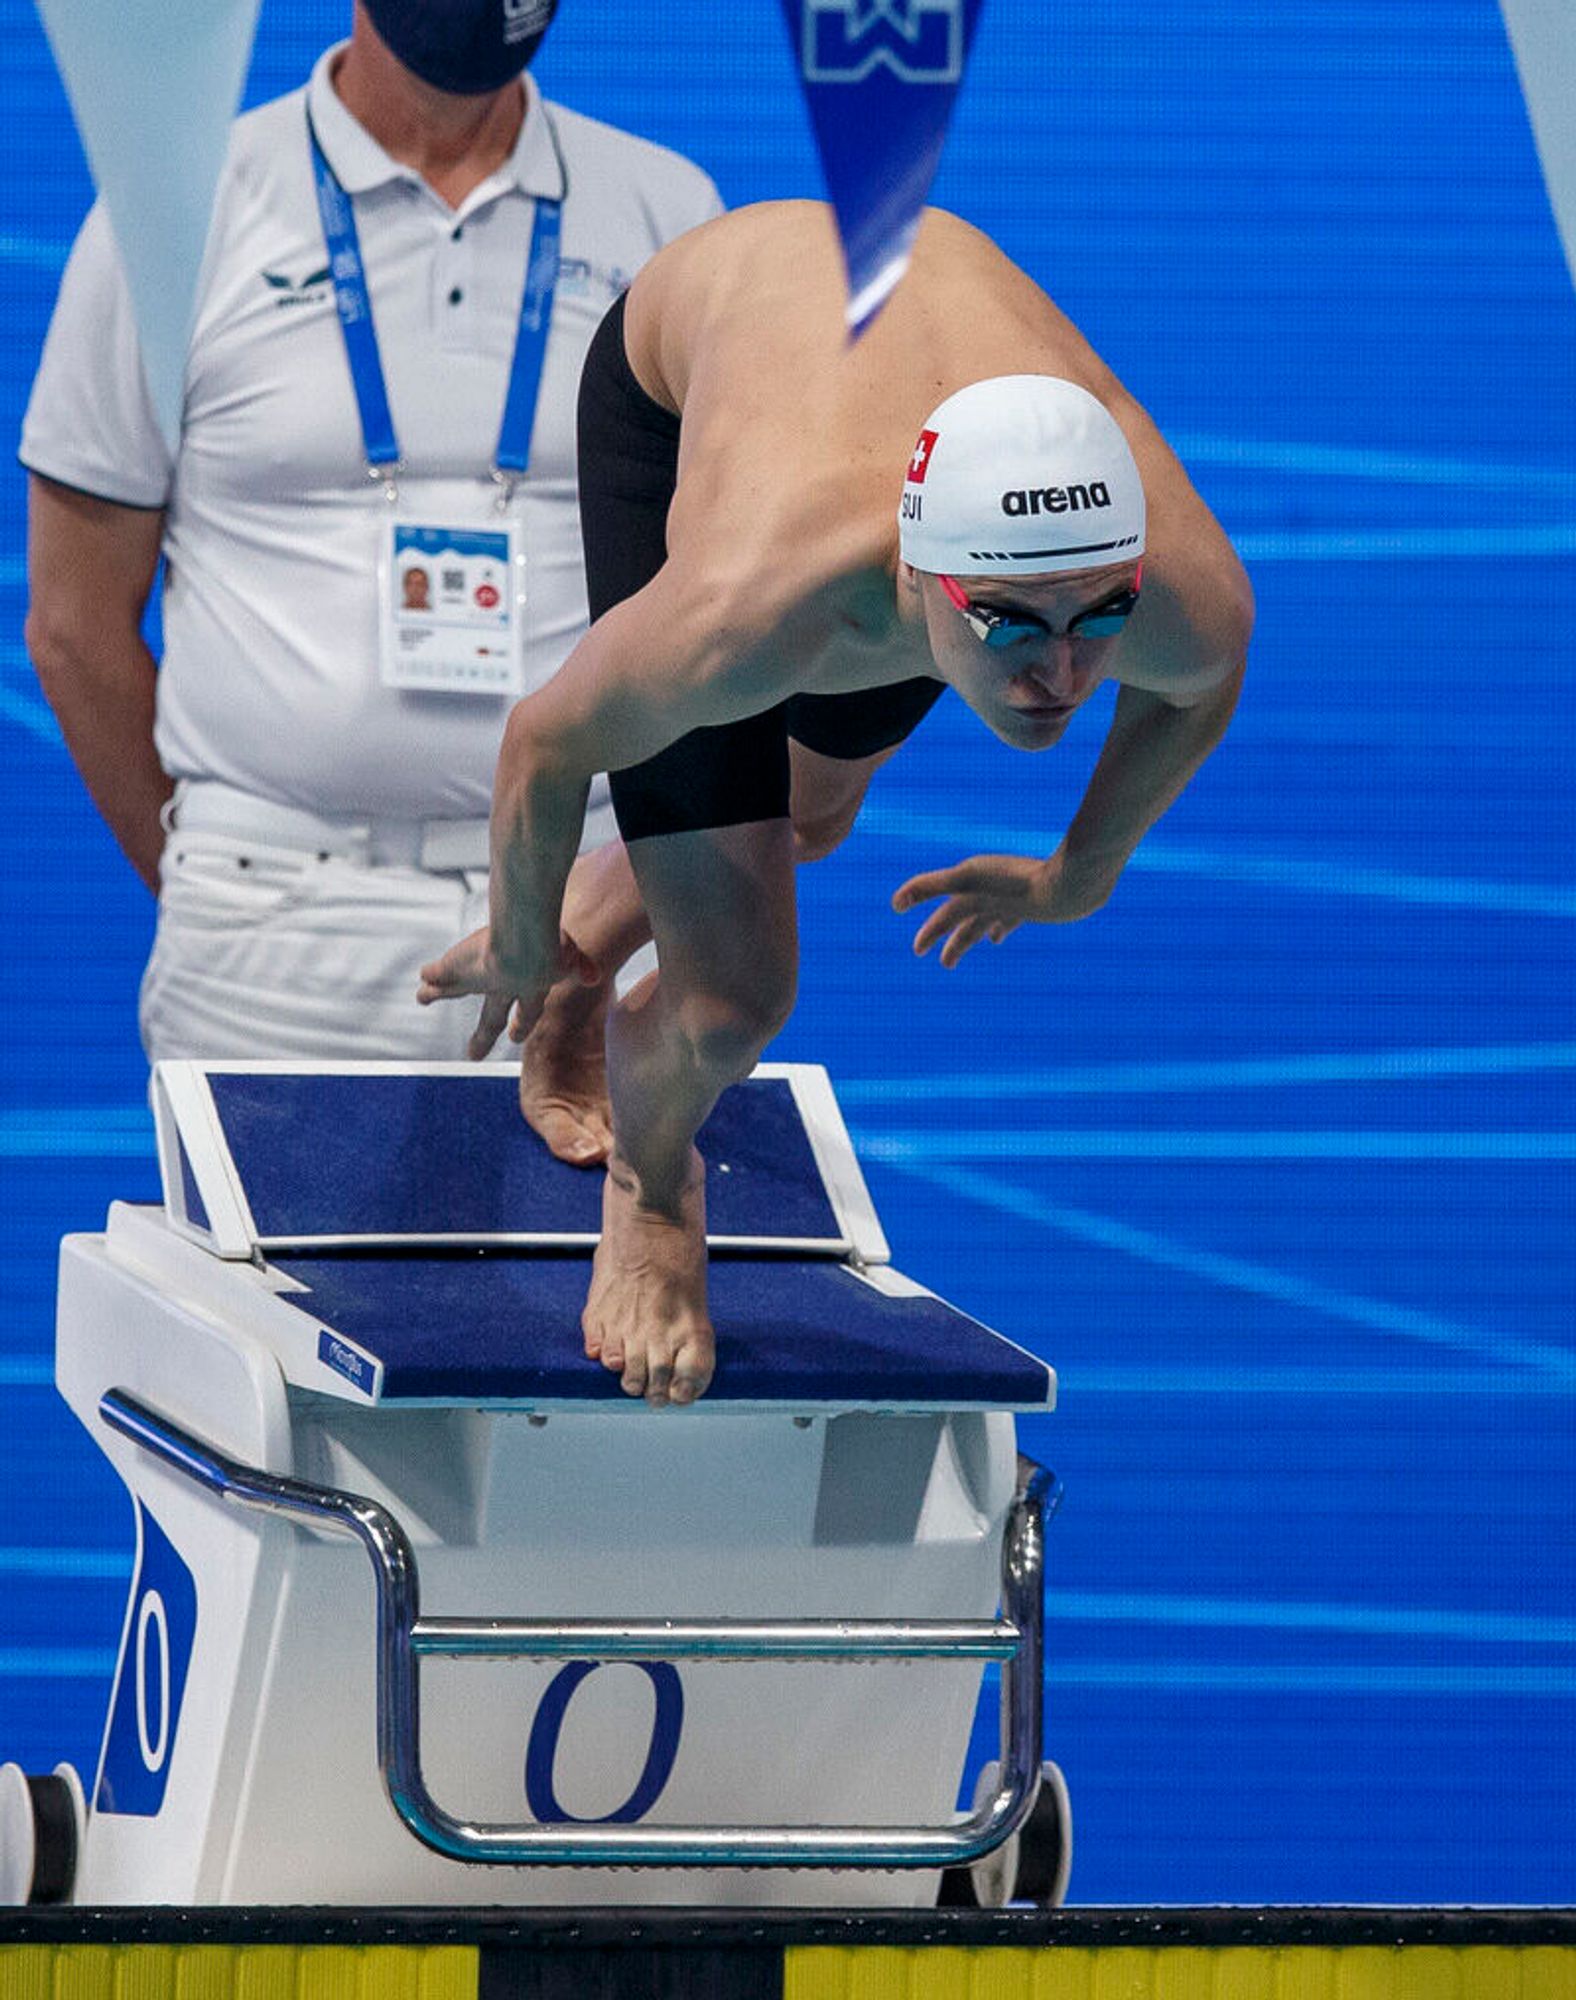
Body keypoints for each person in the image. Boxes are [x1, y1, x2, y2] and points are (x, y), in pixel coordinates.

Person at [420, 199, 1254, 1410]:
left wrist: (1075, 873)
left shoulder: (1178, 592)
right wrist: (515, 933)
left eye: (1097, 619)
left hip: (899, 383)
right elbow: (545, 740)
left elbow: (1196, 687)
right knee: (734, 998)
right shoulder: (751, 601)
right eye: (1009, 626)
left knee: (803, 820)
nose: (1058, 675)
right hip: (691, 372)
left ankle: (594, 951)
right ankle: (652, 1192)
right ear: (913, 576)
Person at [20, 0, 720, 1103]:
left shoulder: (667, 209)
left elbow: (724, 596)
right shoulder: (177, 207)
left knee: (616, 1224)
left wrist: (628, 887)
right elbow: (73, 622)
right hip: (271, 924)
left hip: (590, 913)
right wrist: (218, 882)